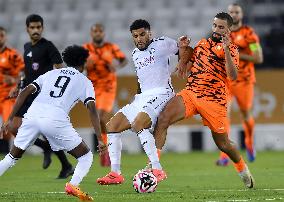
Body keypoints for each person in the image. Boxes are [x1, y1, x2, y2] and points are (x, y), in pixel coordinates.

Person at [153, 12, 255, 188]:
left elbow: (232, 75)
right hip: (192, 93)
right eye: (215, 25)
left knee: (223, 144)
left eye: (221, 27)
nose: (216, 29)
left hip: (214, 101)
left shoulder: (231, 49)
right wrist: (183, 50)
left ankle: (241, 167)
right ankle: (154, 168)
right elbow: (185, 67)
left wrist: (226, 50)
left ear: (228, 30)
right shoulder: (202, 44)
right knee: (163, 119)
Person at [0, 45, 106, 201]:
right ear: (83, 63)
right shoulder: (85, 81)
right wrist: (100, 138)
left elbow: (24, 92)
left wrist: (9, 118)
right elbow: (91, 110)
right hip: (55, 119)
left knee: (11, 157)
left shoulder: (51, 73)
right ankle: (73, 184)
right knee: (85, 156)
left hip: (32, 115)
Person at [96, 19, 192, 185]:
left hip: (162, 94)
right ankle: (115, 173)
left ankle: (157, 169)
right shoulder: (134, 54)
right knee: (112, 126)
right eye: (135, 36)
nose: (139, 38)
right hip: (142, 97)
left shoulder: (162, 44)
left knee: (139, 123)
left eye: (142, 34)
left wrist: (183, 60)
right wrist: (137, 100)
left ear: (150, 33)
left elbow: (186, 50)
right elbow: (141, 80)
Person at [8, 14, 74, 178]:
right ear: (27, 29)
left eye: (38, 27)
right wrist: (18, 86)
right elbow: (27, 71)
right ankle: (46, 148)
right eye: (32, 27)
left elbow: (60, 69)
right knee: (13, 128)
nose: (36, 30)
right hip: (27, 93)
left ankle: (66, 165)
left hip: (42, 97)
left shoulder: (49, 47)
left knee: (48, 132)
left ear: (42, 28)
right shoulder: (26, 47)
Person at [216, 3, 263, 166]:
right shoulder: (220, 33)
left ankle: (249, 142)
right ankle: (224, 153)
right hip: (226, 81)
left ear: (241, 15)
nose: (234, 15)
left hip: (244, 80)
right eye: (231, 12)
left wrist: (234, 53)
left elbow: (258, 58)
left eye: (236, 12)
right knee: (223, 115)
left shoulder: (248, 34)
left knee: (245, 114)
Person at [83, 23, 128, 167]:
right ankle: (105, 147)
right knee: (97, 118)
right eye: (95, 31)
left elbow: (124, 60)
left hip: (108, 87)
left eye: (100, 31)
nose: (98, 33)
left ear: (103, 33)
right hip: (92, 88)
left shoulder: (111, 47)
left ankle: (105, 150)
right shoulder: (85, 49)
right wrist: (85, 66)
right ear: (91, 33)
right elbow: (78, 66)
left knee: (100, 116)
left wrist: (116, 67)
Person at [0, 26, 24, 141]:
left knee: (10, 127)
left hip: (7, 97)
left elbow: (25, 74)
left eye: (2, 35)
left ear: (6, 37)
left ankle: (22, 146)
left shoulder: (13, 55)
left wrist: (14, 80)